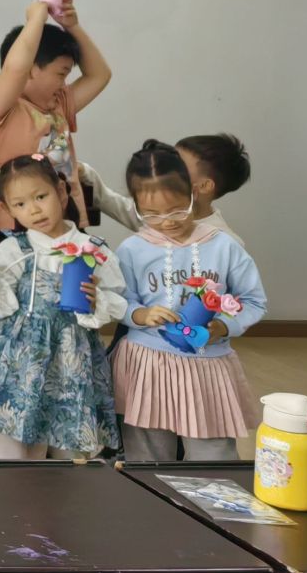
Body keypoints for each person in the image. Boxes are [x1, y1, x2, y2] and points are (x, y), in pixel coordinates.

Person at [0, 154, 126, 459]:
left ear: (61, 192)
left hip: (70, 356)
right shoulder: (15, 249)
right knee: (15, 439)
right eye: (20, 204)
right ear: (8, 210)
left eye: (40, 197)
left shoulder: (93, 250)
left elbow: (115, 301)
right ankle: (12, 486)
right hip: (20, 359)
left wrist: (96, 300)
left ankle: (69, 488)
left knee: (70, 443)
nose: (33, 210)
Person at [113, 142, 265, 462]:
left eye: (177, 209)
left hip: (208, 368)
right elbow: (118, 299)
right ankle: (152, 496)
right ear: (136, 206)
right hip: (147, 366)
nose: (167, 221)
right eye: (151, 214)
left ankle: (212, 497)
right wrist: (140, 315)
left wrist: (222, 326)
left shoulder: (224, 246)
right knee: (148, 457)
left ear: (193, 194)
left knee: (213, 456)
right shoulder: (131, 249)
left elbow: (253, 300)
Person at [0, 0, 111, 229]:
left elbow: (100, 75)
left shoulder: (59, 104)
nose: (64, 83)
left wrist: (72, 26)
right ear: (30, 70)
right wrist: (35, 20)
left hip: (67, 224)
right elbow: (15, 69)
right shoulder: (1, 105)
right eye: (61, 74)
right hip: (17, 229)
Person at [87, 130, 250, 241]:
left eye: (179, 164)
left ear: (204, 186)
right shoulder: (155, 217)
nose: (168, 166)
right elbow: (110, 202)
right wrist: (84, 172)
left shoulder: (225, 241)